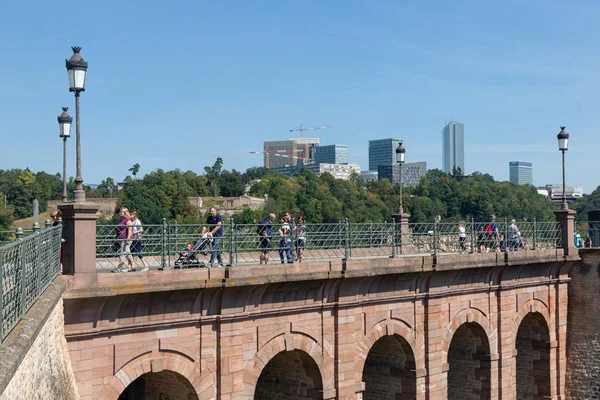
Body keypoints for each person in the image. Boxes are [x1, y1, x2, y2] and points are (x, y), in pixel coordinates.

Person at [115, 208, 135, 272]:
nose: (119, 213)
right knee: (126, 253)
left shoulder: (128, 220)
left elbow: (130, 229)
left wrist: (128, 239)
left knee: (123, 253)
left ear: (125, 213)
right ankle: (132, 267)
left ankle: (119, 268)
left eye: (121, 212)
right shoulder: (121, 220)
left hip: (125, 239)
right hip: (121, 239)